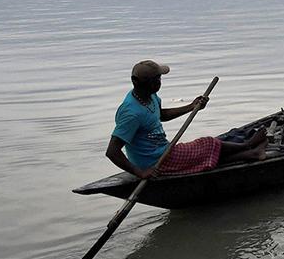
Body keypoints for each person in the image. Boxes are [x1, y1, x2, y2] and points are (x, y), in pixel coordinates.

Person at [106, 60, 267, 179]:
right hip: (154, 162)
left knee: (207, 153)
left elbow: (161, 115)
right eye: (155, 80)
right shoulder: (131, 113)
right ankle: (249, 145)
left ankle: (250, 153)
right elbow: (112, 151)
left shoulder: (150, 96)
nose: (159, 83)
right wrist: (140, 172)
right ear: (138, 82)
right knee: (208, 143)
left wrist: (191, 106)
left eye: (159, 79)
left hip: (163, 150)